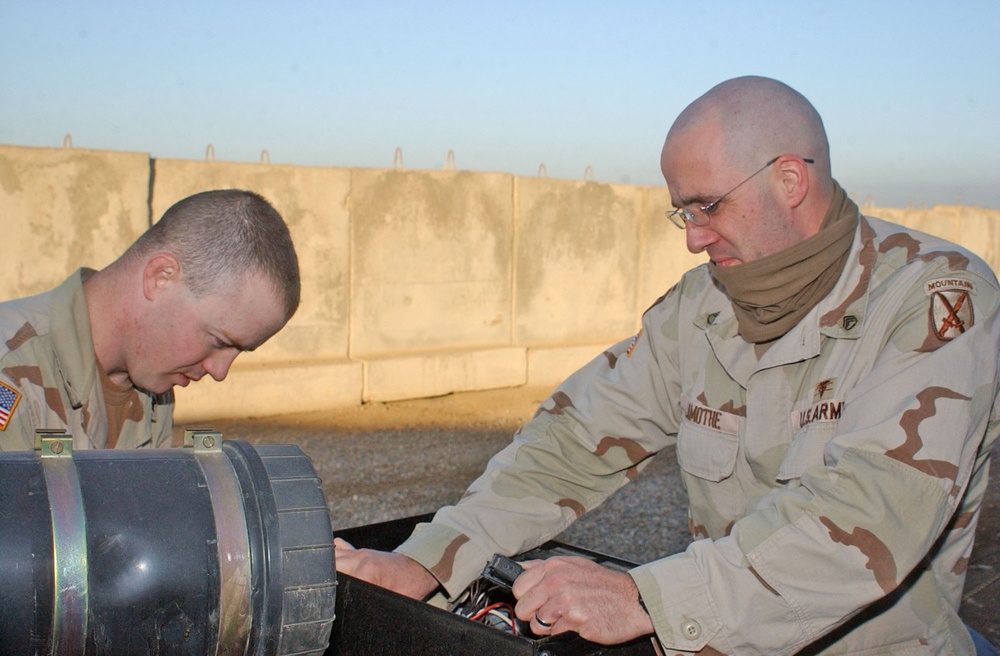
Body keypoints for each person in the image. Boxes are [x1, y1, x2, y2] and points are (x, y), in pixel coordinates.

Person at [335, 76, 1000, 654]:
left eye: (708, 206)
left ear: (790, 179)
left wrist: (645, 599)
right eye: (680, 211)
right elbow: (573, 442)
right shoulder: (700, 309)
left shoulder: (934, 296)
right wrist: (431, 557)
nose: (692, 237)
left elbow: (871, 508)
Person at [0, 189, 300, 451]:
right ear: (160, 277)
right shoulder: (11, 371)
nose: (220, 371)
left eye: (240, 351)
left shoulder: (152, 387)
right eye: (220, 342)